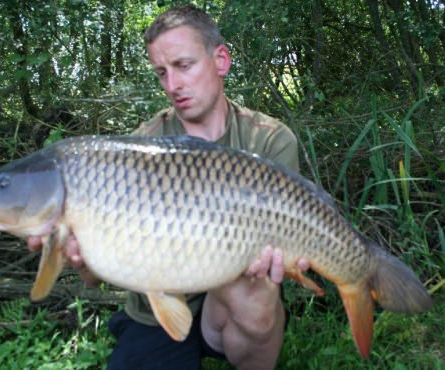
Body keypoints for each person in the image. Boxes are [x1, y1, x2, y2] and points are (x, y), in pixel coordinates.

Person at [28, 5, 309, 370]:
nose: (172, 85)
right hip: (155, 309)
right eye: (162, 72)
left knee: (256, 293)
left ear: (220, 60)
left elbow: (290, 236)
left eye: (183, 66)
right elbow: (97, 275)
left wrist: (283, 257)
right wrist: (83, 261)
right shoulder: (140, 147)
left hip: (231, 297)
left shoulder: (269, 139)